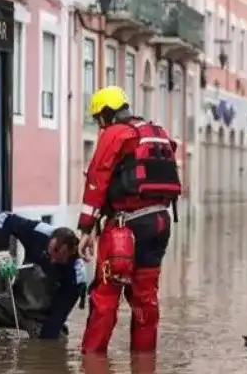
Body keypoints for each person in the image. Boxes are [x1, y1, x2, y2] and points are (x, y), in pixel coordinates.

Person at [77, 86, 181, 355]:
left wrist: (86, 228)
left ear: (106, 114)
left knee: (105, 296)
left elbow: (97, 180)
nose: (99, 126)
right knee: (145, 299)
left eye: (99, 119)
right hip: (160, 224)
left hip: (125, 228)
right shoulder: (156, 133)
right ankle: (145, 373)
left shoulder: (115, 133)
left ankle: (92, 367)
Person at [0, 212, 88, 340]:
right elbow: (4, 218)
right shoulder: (38, 232)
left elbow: (57, 317)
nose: (52, 261)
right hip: (16, 304)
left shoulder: (77, 276)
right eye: (49, 255)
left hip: (42, 318)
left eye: (58, 259)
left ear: (71, 252)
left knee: (53, 343)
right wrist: (4, 254)